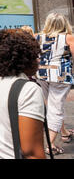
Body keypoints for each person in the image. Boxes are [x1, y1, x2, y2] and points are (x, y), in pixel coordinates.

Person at [0, 29, 46, 159]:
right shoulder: (28, 89)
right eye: (35, 55)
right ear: (23, 59)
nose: (38, 60)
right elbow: (31, 152)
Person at [35, 13, 74, 155]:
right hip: (60, 75)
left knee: (51, 105)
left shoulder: (37, 36)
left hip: (42, 74)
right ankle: (50, 145)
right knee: (56, 107)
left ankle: (64, 133)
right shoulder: (68, 37)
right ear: (64, 23)